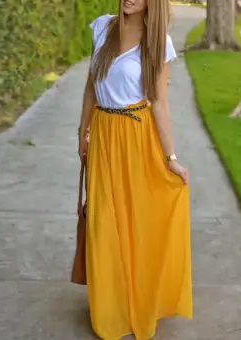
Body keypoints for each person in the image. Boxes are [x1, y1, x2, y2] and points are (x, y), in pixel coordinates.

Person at [77, 0, 192, 338]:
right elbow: (90, 85)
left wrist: (171, 159)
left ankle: (141, 298)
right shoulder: (102, 27)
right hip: (103, 132)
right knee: (102, 221)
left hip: (138, 135)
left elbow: (158, 102)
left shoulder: (159, 42)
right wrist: (83, 131)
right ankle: (109, 306)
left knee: (136, 221)